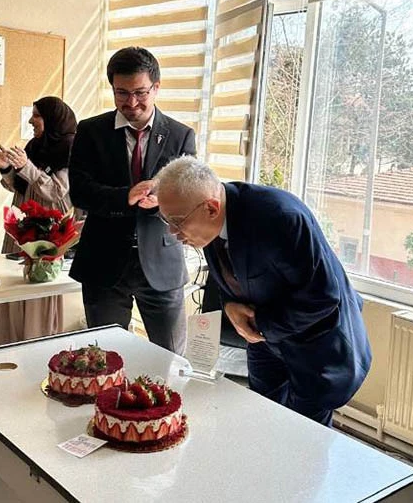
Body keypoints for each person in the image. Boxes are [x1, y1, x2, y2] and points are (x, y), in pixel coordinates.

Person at [154, 157, 372, 426]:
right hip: (264, 344)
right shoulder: (207, 220)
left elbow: (322, 298)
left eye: (177, 221)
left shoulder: (280, 219)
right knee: (262, 423)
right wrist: (230, 307)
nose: (173, 232)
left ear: (211, 208)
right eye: (166, 220)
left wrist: (260, 324)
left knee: (302, 436)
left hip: (315, 348)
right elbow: (231, 277)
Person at [68, 47, 196, 355]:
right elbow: (80, 192)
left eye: (140, 93)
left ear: (156, 87)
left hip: (161, 263)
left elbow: (190, 195)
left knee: (171, 359)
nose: (131, 102)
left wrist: (163, 201)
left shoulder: (180, 135)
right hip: (104, 262)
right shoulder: (90, 131)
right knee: (105, 359)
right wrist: (124, 196)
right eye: (122, 93)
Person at [0, 96, 76, 344]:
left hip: (48, 231)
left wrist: (27, 167)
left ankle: (34, 344)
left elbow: (56, 192)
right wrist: (7, 168)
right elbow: (20, 187)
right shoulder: (34, 146)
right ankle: (8, 344)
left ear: (52, 119)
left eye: (37, 115)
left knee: (38, 288)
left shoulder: (70, 148)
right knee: (13, 284)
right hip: (23, 226)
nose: (30, 121)